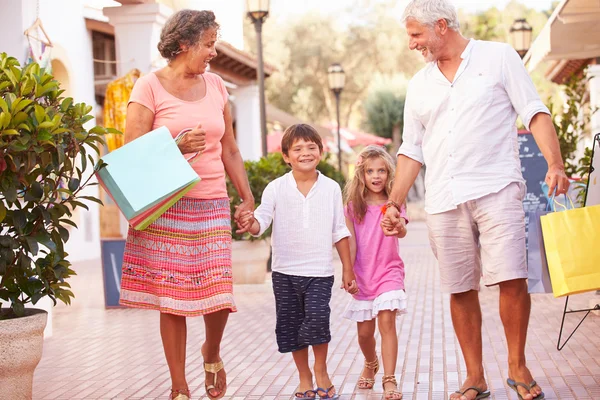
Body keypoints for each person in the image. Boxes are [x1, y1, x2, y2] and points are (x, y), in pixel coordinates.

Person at [381, 1, 570, 400]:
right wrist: (394, 203)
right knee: (459, 286)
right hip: (444, 197)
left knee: (510, 277)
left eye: (416, 34)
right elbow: (411, 149)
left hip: (496, 185)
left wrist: (554, 162)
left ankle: (517, 367)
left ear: (442, 26)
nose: (412, 44)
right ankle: (474, 376)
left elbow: (534, 111)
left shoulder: (498, 57)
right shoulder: (419, 85)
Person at [119, 10, 254, 400]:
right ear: (183, 44)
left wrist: (246, 197)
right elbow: (130, 151)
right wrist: (174, 147)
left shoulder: (216, 86)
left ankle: (211, 352)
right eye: (208, 44)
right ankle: (179, 385)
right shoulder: (148, 87)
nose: (214, 51)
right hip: (166, 207)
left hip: (211, 201)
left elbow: (229, 147)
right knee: (172, 298)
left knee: (217, 290)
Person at [236, 124, 358, 399]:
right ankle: (304, 378)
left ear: (321, 152)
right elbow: (261, 223)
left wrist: (348, 269)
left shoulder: (330, 188)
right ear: (286, 156)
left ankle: (322, 371)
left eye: (311, 147)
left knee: (317, 321)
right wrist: (249, 222)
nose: (305, 153)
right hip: (284, 272)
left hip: (319, 272)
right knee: (291, 327)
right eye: (298, 149)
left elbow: (340, 230)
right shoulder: (275, 188)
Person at [343, 145, 407, 400]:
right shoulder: (352, 206)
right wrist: (349, 270)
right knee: (365, 334)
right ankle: (371, 362)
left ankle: (389, 379)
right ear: (362, 174)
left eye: (381, 170)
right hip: (363, 274)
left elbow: (402, 229)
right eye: (370, 171)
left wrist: (396, 225)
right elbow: (350, 241)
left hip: (389, 272)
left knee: (387, 323)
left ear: (389, 173)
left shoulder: (394, 203)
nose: (376, 176)